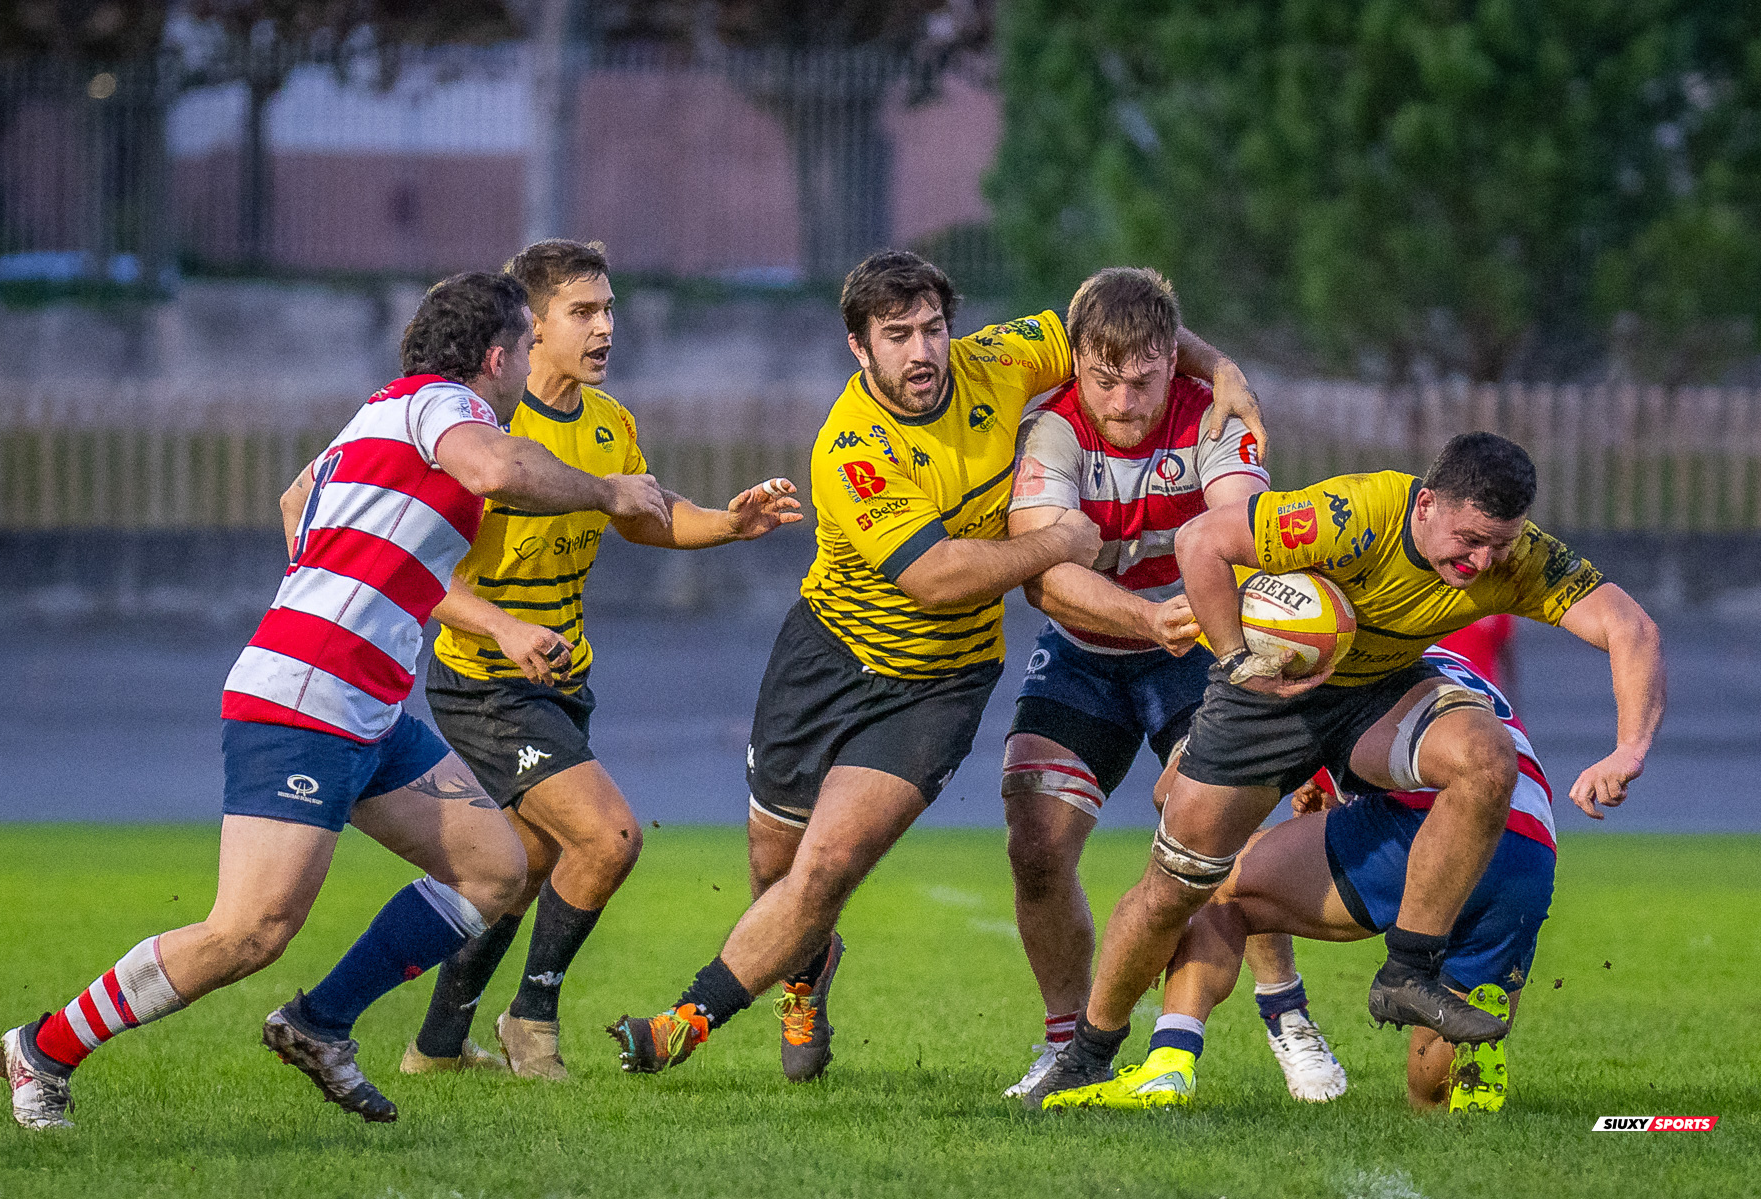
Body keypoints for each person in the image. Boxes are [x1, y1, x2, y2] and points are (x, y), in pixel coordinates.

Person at [0, 272, 671, 1129]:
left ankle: (320, 1023)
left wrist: (338, 582)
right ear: (498, 357)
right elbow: (497, 469)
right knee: (249, 931)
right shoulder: (443, 406)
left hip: (367, 707)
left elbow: (295, 497)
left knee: (493, 867)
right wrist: (609, 489)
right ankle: (43, 1046)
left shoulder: (381, 413)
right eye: (526, 344)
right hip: (305, 702)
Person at [607, 250, 1266, 1082]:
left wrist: (1222, 367)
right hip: (828, 655)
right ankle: (806, 976)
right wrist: (1056, 542)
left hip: (939, 682)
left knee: (828, 865)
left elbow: (1121, 331)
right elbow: (934, 576)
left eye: (932, 328)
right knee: (776, 863)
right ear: (859, 347)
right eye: (897, 335)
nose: (922, 351)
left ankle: (682, 1022)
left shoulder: (1001, 359)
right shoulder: (851, 448)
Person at [1032, 431, 1665, 1108]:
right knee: (1176, 885)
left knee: (1486, 758)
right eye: (1471, 540)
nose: (1483, 561)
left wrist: (1628, 749)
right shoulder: (1352, 515)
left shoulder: (1522, 558)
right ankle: (1088, 1054)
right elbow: (1199, 541)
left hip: (1378, 692)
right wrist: (1238, 659)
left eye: (1500, 545)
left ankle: (1408, 969)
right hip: (1270, 689)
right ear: (1426, 504)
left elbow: (1631, 628)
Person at [401, 240, 802, 1080]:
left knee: (521, 865)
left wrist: (731, 523)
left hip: (561, 678)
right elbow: (413, 568)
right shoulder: (479, 427)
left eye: (609, 309)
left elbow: (644, 513)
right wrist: (502, 629)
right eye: (583, 312)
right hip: (482, 680)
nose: (605, 327)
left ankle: (436, 1045)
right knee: (609, 837)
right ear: (532, 327)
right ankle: (531, 1019)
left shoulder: (609, 422)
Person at [991, 266, 1343, 1102]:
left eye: (1143, 381)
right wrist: (1146, 617)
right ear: (1078, 362)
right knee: (1034, 845)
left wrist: (1192, 617)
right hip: (1084, 650)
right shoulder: (1051, 428)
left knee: (1219, 827)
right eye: (1103, 380)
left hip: (1196, 650)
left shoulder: (1215, 414)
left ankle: (1285, 1009)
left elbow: (1242, 529)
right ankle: (1066, 1041)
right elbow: (1042, 577)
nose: (1122, 402)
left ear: (1171, 361)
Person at [1056, 644, 1560, 1112]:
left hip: (1424, 831)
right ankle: (1463, 1067)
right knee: (1431, 1090)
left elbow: (1172, 795)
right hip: (1528, 853)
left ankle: (1172, 1062)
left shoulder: (1330, 662)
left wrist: (1214, 739)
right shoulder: (1452, 666)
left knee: (1219, 883)